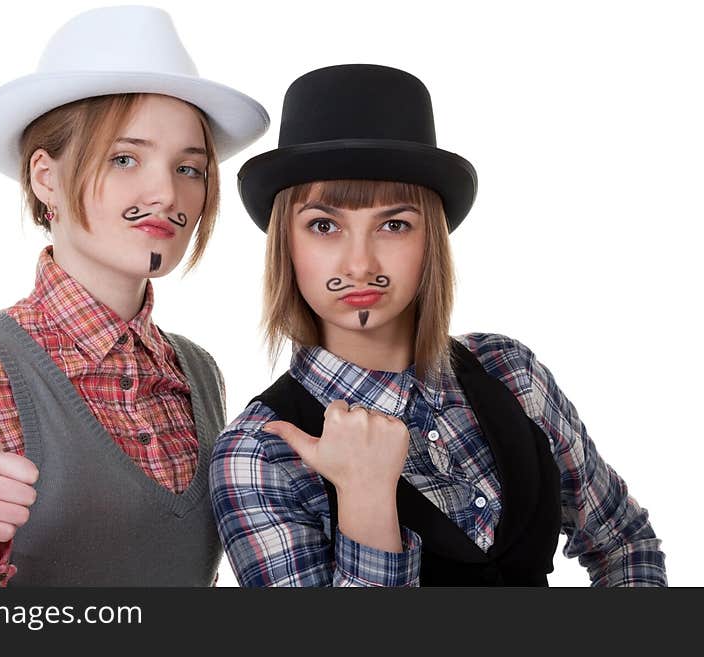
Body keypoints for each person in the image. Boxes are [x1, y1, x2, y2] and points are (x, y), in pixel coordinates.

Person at [209, 64, 666, 586]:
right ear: (286, 247)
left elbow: (624, 542)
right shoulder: (260, 452)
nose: (359, 263)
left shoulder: (509, 371)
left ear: (431, 241)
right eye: (325, 226)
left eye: (395, 224)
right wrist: (365, 493)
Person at [0, 6, 268, 586]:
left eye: (190, 168)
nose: (166, 192)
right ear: (45, 177)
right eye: (125, 158)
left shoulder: (199, 373)